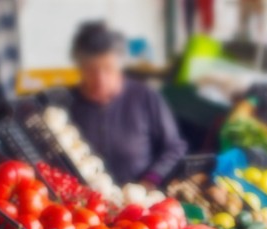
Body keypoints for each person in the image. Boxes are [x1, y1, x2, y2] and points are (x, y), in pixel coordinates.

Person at [68, 22, 187, 188]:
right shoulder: (68, 103)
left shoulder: (145, 97)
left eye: (107, 68)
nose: (100, 79)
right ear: (80, 68)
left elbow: (174, 147)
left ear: (119, 65)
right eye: (91, 70)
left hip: (138, 199)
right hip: (82, 203)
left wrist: (151, 179)